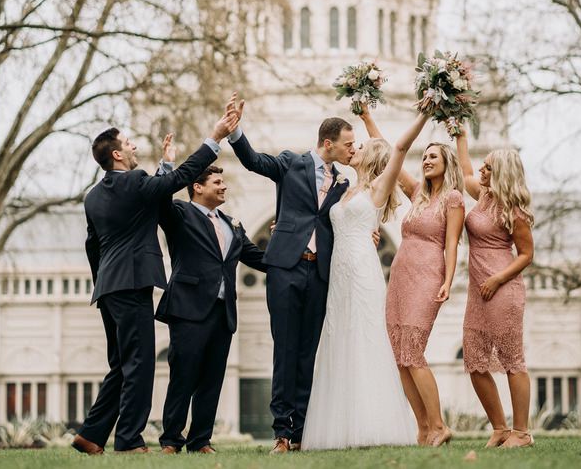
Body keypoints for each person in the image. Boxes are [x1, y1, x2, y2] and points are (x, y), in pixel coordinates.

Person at [71, 104, 239, 455]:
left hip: (107, 287)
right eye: (129, 144)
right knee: (140, 364)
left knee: (120, 364)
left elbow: (93, 245)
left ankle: (90, 434)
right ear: (117, 154)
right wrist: (215, 139)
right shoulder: (134, 180)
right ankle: (130, 441)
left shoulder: (95, 196)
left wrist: (101, 282)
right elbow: (178, 180)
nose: (134, 148)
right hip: (132, 284)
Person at [227, 99, 354, 453]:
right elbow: (254, 161)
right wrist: (236, 130)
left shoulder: (343, 182)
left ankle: (301, 432)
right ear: (328, 144)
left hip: (320, 271)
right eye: (347, 143)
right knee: (285, 351)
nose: (352, 149)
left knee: (307, 353)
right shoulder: (290, 163)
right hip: (286, 268)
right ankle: (282, 433)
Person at [301, 108, 431, 450]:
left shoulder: (377, 186)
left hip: (361, 270)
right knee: (339, 338)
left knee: (365, 339)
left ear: (371, 156)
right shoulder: (343, 187)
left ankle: (373, 425)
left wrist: (423, 115)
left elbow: (399, 149)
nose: (352, 148)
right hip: (338, 274)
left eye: (358, 146)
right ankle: (339, 427)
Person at [359, 109, 465, 447]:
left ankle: (439, 425)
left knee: (414, 351)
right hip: (400, 276)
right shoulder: (417, 193)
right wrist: (366, 119)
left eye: (434, 156)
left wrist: (447, 280)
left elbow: (451, 246)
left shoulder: (453, 199)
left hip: (428, 277)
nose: (428, 161)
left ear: (447, 163)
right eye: (426, 157)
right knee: (398, 354)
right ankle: (423, 429)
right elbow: (392, 153)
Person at [155, 158, 267, 454]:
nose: (224, 186)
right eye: (217, 182)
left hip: (222, 313)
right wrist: (167, 166)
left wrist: (293, 250)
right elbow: (158, 197)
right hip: (188, 309)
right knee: (183, 377)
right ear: (197, 187)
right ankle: (170, 440)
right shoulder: (180, 213)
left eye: (223, 182)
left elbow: (258, 258)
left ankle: (200, 440)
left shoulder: (233, 225)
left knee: (212, 379)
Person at [456, 133, 536, 449]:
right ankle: (500, 428)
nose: (481, 170)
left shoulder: (515, 211)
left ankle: (522, 432)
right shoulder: (482, 196)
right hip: (478, 293)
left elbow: (527, 254)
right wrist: (460, 135)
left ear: (501, 172)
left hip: (503, 290)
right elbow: (464, 173)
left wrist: (498, 280)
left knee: (512, 360)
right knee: (475, 361)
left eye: (487, 167)